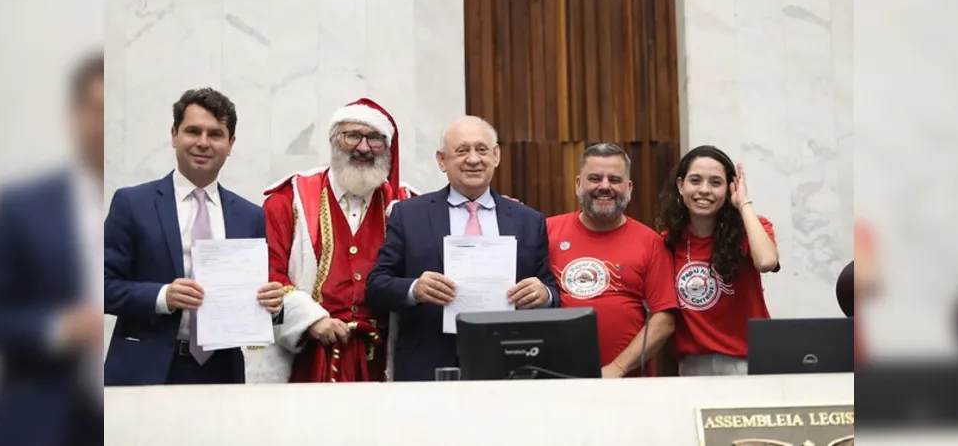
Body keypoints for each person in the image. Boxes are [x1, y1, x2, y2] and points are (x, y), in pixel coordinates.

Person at [103, 87, 284, 386]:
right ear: (174, 135)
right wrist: (163, 297)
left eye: (215, 134)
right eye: (192, 131)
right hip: (145, 369)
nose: (203, 142)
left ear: (230, 143)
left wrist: (273, 305)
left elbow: (255, 299)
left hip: (221, 371)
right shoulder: (132, 204)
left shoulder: (251, 216)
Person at [365, 115, 560, 382]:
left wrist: (544, 294)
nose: (473, 159)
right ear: (441, 160)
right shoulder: (409, 215)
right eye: (461, 151)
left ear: (496, 156)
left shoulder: (528, 220)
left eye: (482, 150)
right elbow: (376, 286)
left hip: (510, 363)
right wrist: (414, 289)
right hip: (428, 365)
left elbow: (551, 290)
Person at [0, 51, 104, 446]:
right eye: (94, 109)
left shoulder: (150, 206)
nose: (102, 123)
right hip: (42, 422)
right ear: (74, 114)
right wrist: (58, 328)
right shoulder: (22, 208)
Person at [250, 98, 416, 383]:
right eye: (352, 135)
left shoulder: (407, 205)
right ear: (333, 140)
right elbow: (268, 274)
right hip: (309, 359)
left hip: (382, 363)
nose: (363, 147)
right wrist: (310, 320)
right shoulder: (289, 200)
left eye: (374, 138)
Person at [548, 143, 678, 378]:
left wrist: (617, 368)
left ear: (629, 188)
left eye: (615, 179)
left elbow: (664, 319)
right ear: (578, 184)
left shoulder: (649, 241)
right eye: (595, 178)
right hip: (555, 377)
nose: (605, 186)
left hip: (626, 381)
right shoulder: (546, 231)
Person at [658, 145, 780, 376]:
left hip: (748, 360)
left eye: (715, 183)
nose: (704, 190)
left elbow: (766, 261)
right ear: (680, 185)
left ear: (729, 189)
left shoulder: (752, 228)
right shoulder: (667, 241)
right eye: (695, 180)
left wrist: (743, 203)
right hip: (692, 364)